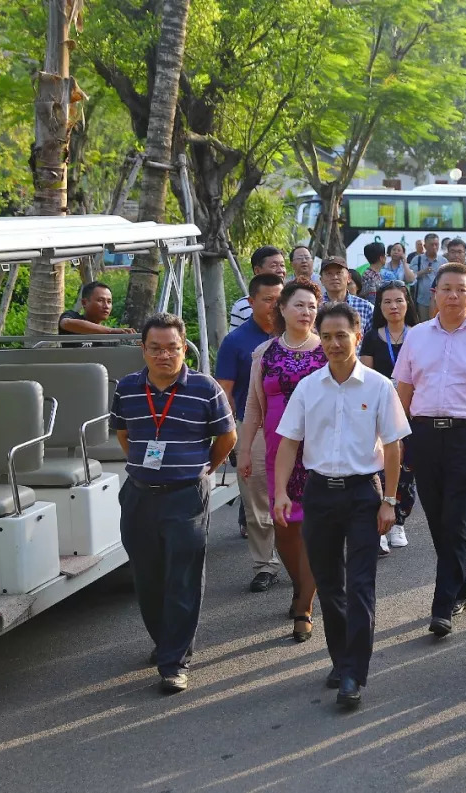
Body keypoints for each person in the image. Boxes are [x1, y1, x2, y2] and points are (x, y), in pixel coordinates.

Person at [273, 301, 410, 710]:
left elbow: (392, 446)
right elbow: (289, 443)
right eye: (327, 336)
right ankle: (341, 659)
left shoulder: (378, 386)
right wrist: (281, 492)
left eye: (341, 336)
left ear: (356, 335)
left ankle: (354, 673)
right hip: (319, 494)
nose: (333, 344)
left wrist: (389, 500)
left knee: (361, 584)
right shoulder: (309, 387)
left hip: (362, 495)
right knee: (330, 585)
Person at [110, 313, 237, 693]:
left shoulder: (205, 387)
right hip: (139, 495)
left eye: (172, 348)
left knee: (182, 577)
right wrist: (146, 468)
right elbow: (123, 433)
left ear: (185, 348)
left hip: (186, 496)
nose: (164, 355)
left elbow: (227, 438)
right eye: (155, 348)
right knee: (147, 578)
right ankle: (165, 641)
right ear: (143, 349)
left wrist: (201, 471)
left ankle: (174, 661)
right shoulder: (128, 388)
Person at [393, 262, 466, 638]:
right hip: (424, 435)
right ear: (435, 293)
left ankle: (442, 604)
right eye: (447, 289)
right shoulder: (416, 337)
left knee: (457, 518)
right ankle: (463, 584)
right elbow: (404, 391)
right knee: (436, 517)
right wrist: (397, 436)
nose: (455, 296)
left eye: (462, 289)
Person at [240, 279, 328, 641]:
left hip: (321, 449)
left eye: (311, 306)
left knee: (318, 528)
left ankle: (304, 603)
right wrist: (245, 449)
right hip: (278, 450)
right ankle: (300, 584)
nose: (306, 312)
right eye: (299, 305)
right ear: (282, 309)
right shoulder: (265, 353)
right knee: (285, 526)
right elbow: (253, 406)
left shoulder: (328, 351)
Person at [214, 273, 284, 592]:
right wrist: (232, 435)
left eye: (278, 299)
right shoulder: (236, 341)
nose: (273, 305)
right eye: (266, 299)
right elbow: (225, 392)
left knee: (300, 496)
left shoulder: (300, 335)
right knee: (256, 500)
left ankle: (304, 560)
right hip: (252, 426)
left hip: (296, 429)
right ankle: (265, 564)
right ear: (251, 302)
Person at [359, 281, 420, 554]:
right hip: (380, 411)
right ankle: (380, 527)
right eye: (387, 301)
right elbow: (366, 377)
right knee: (380, 468)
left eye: (399, 300)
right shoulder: (372, 337)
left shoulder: (419, 335)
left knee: (407, 469)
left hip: (414, 410)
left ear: (408, 303)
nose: (393, 306)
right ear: (380, 306)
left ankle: (399, 523)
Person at [59, 281, 135, 345]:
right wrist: (111, 331)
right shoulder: (72, 316)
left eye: (109, 302)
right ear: (84, 302)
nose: (106, 306)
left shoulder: (110, 339)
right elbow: (66, 323)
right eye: (100, 300)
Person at [231, 245, 288, 330]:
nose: (280, 270)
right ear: (257, 270)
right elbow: (235, 340)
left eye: (282, 265)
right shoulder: (242, 306)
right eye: (274, 266)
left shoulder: (294, 302)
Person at [318, 255, 374, 335]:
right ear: (321, 280)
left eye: (339, 272)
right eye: (329, 273)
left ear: (349, 277)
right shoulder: (314, 307)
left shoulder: (366, 307)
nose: (334, 277)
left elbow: (372, 339)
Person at [411, 233, 446, 322]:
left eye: (436, 244)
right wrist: (423, 272)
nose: (434, 247)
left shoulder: (443, 261)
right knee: (424, 325)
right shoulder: (417, 259)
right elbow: (410, 278)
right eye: (431, 244)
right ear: (425, 246)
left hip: (439, 301)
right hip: (422, 300)